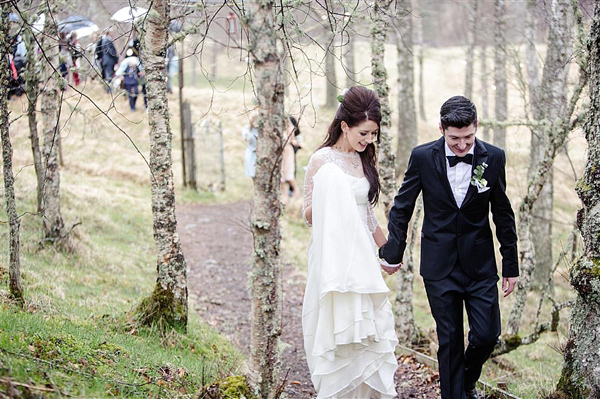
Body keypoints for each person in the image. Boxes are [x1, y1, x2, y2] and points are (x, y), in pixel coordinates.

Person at [379, 95, 519, 399]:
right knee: (450, 339)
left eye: (468, 137)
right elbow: (402, 207)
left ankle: (466, 381)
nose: (462, 145)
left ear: (477, 126)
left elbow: (503, 213)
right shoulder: (422, 157)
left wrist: (511, 265)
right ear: (441, 128)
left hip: (481, 265)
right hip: (439, 265)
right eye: (455, 138)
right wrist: (393, 252)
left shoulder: (493, 157)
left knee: (487, 334)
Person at [302, 85, 399, 399]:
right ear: (344, 126)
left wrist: (388, 249)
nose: (368, 140)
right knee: (338, 330)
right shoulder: (322, 160)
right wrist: (332, 193)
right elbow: (307, 213)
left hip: (363, 255)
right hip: (334, 254)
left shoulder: (363, 160)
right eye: (363, 133)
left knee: (369, 331)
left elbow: (367, 214)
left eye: (373, 134)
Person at [281, 116, 300, 202]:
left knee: (288, 175)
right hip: (280, 154)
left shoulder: (289, 128)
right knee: (281, 177)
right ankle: (284, 197)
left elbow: (293, 140)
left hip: (287, 152)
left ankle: (296, 192)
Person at [242, 111, 259, 178]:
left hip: (259, 152)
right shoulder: (247, 128)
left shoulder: (260, 129)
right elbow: (245, 138)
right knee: (252, 172)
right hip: (251, 151)